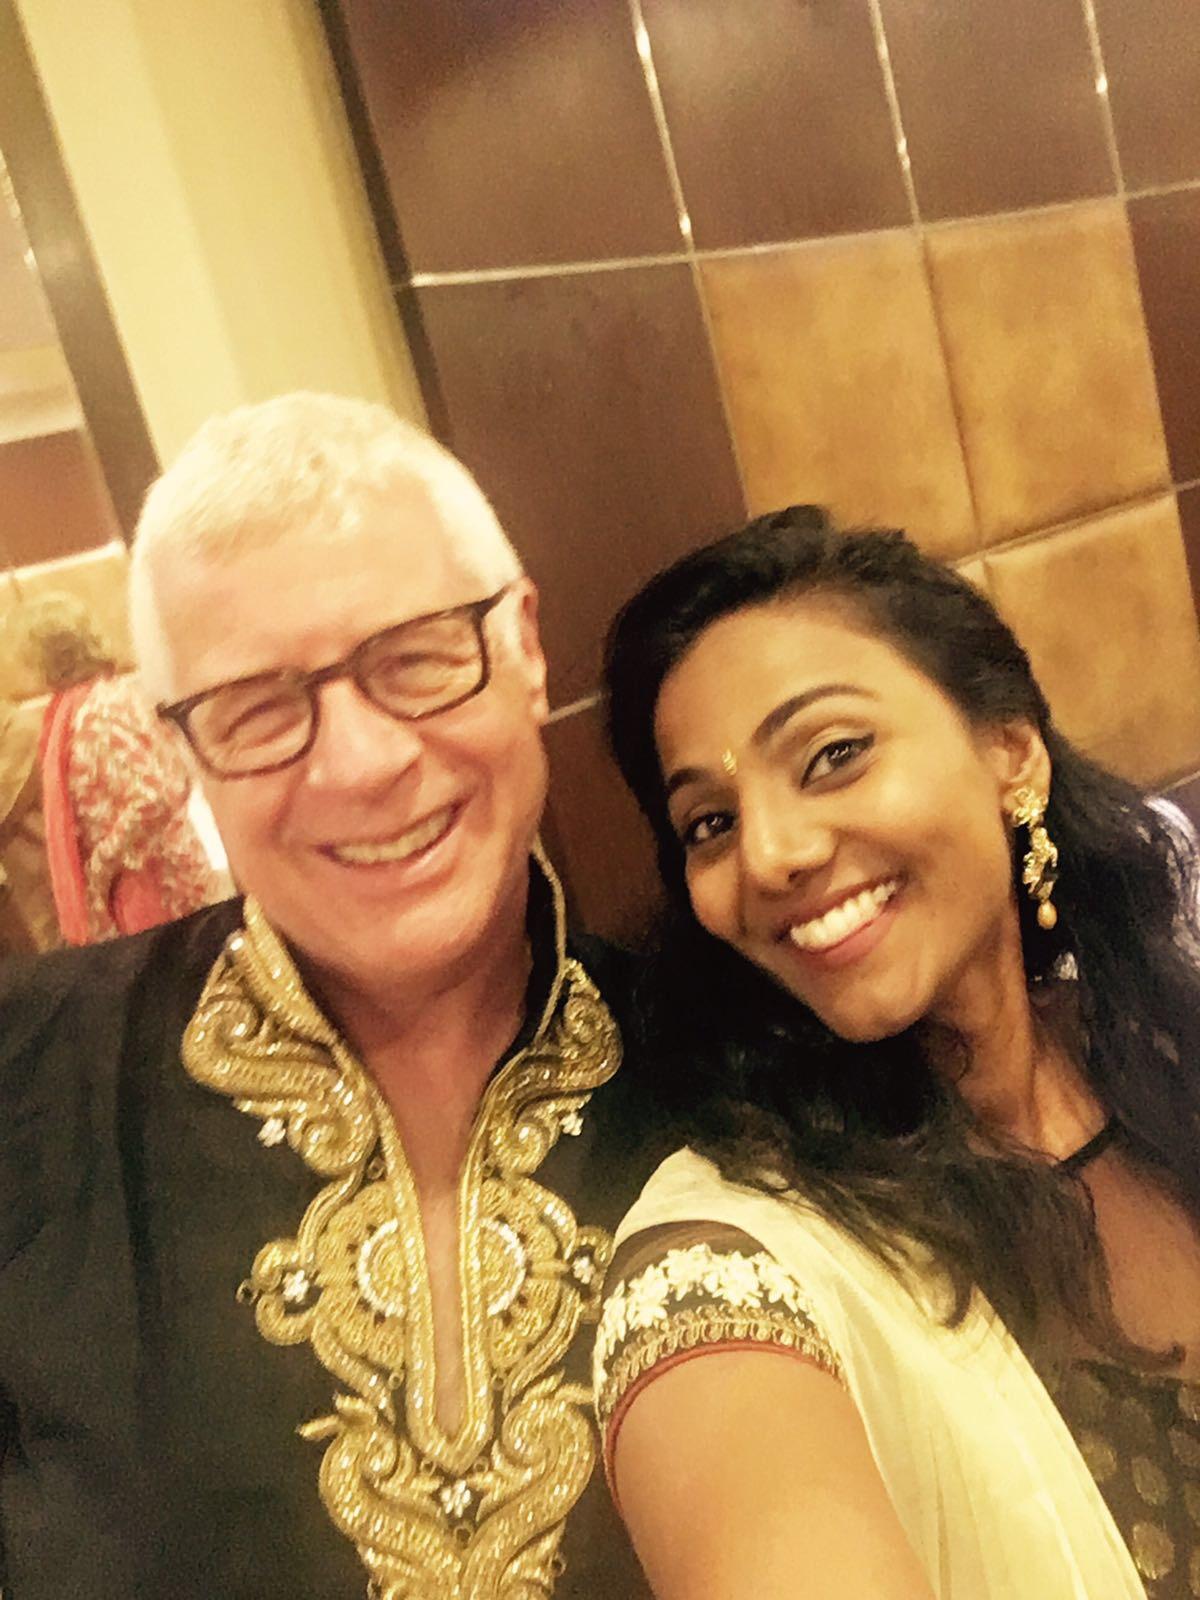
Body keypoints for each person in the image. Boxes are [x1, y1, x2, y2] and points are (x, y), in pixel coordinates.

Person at [0, 394, 660, 1599]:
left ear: (523, 646)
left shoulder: (743, 1071)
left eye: (416, 658)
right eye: (257, 709)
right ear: (181, 749)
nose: (361, 763)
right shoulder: (25, 1087)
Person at [597, 505, 1200, 1599]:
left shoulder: (1164, 1039)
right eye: (709, 823)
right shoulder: (734, 1268)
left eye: (832, 755)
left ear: (1010, 751)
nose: (770, 854)